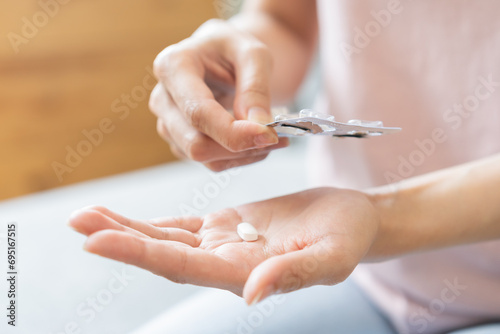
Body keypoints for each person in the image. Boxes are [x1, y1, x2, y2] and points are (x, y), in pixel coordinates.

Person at [68, 1, 500, 333]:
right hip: (367, 275)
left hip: (374, 243)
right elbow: (285, 19)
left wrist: (381, 218)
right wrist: (235, 71)